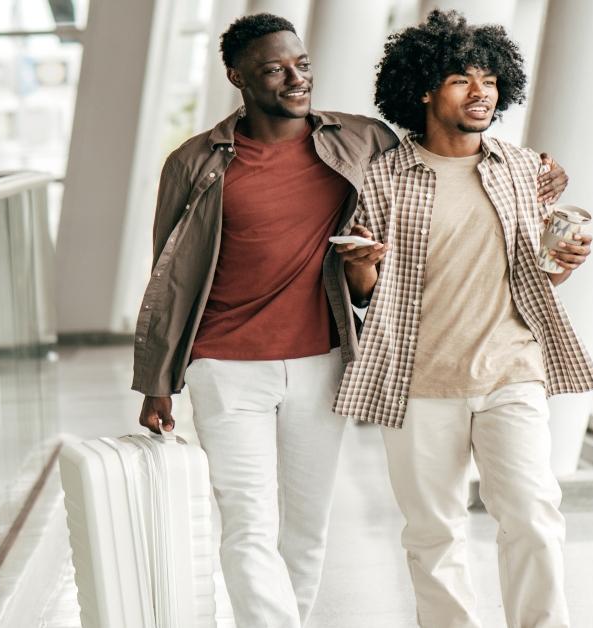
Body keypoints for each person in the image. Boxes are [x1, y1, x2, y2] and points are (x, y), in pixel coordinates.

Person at [131, 13, 570, 627]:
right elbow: (170, 273)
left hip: (321, 358)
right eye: (273, 69)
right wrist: (157, 377)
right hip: (226, 363)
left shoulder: (360, 141)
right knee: (248, 523)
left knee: (308, 528)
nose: (294, 78)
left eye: (302, 65)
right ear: (237, 77)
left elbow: (455, 171)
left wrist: (547, 179)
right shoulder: (195, 161)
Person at [334, 10, 593, 628]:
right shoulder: (383, 177)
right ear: (425, 89)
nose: (480, 91)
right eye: (461, 78)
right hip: (417, 378)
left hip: (512, 369)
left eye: (488, 78)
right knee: (433, 533)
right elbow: (367, 289)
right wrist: (362, 267)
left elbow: (540, 266)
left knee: (534, 515)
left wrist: (567, 259)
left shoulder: (522, 168)